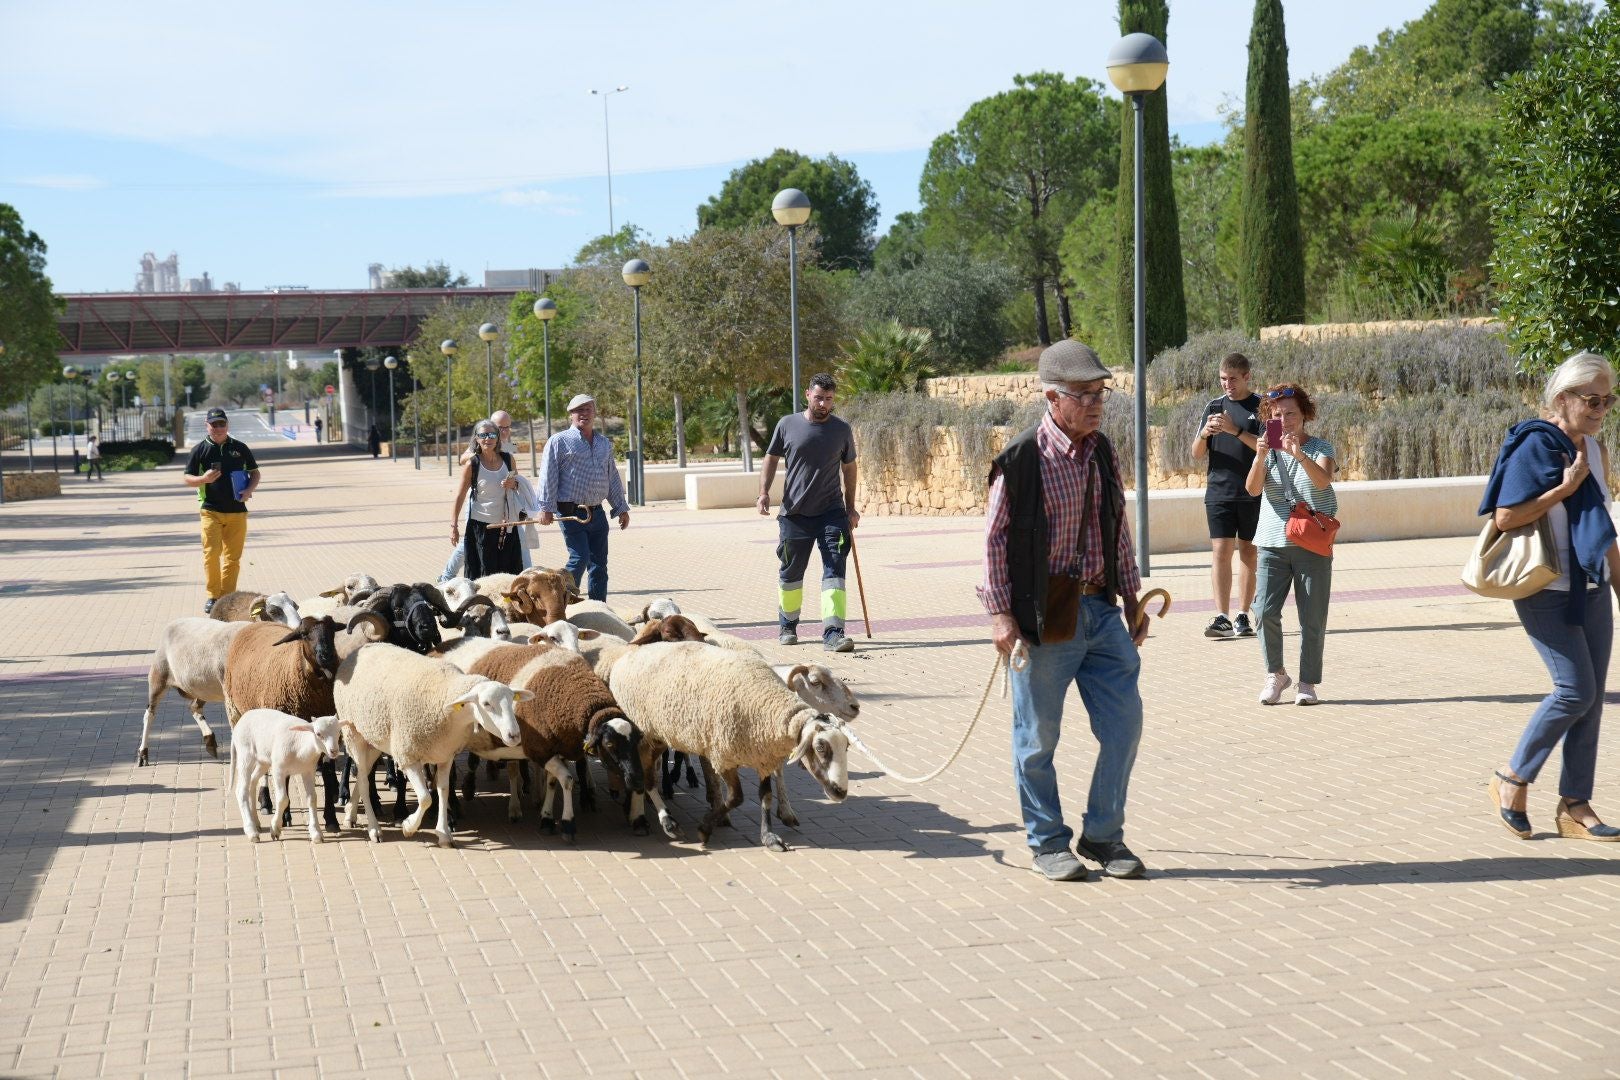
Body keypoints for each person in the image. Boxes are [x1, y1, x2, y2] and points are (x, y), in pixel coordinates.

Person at [979, 340, 1150, 883]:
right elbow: (994, 542)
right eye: (1084, 394)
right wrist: (1000, 615)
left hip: (1101, 611)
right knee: (1037, 741)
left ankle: (1102, 835)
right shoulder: (1020, 461)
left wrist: (1131, 597)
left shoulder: (1101, 451)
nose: (1096, 404)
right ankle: (1048, 843)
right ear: (1052, 398)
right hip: (1043, 620)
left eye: (1101, 393)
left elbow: (1116, 526)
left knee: (1124, 727)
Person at [1480, 350, 1620, 842]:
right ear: (1562, 398)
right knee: (1574, 691)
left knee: (1592, 701)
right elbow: (1505, 517)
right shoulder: (1536, 444)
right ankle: (1511, 778)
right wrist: (1563, 488)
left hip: (1592, 588)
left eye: (1608, 400)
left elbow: (1604, 529)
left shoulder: (1597, 451)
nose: (1601, 409)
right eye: (1592, 400)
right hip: (1544, 588)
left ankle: (1575, 806)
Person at [1245, 383, 1337, 706]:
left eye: (1290, 414)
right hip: (1272, 542)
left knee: (1312, 617)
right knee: (1263, 611)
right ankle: (1276, 674)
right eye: (1277, 415)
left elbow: (1323, 480)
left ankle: (1307, 683)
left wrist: (1299, 454)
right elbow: (1253, 490)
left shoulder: (1321, 447)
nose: (1284, 421)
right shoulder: (1267, 449)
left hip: (1312, 544)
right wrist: (1260, 457)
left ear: (1304, 414)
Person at [758, 373, 860, 653]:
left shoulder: (841, 429)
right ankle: (788, 626)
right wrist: (764, 492)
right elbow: (771, 457)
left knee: (835, 570)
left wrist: (850, 507)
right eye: (818, 398)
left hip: (832, 513)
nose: (823, 404)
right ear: (807, 395)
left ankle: (834, 633)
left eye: (828, 399)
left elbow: (849, 468)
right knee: (791, 572)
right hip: (794, 514)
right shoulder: (787, 424)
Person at [1191, 352, 1262, 639]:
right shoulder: (1213, 406)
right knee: (1221, 551)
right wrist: (1204, 434)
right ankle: (1222, 617)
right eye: (1223, 379)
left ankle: (1243, 615)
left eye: (1233, 379)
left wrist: (1235, 431)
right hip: (1218, 491)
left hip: (1253, 491)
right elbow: (1196, 454)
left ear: (1247, 376)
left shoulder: (1264, 406)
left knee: (1248, 551)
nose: (1227, 384)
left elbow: (1272, 447)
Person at [537, 394, 629, 601]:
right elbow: (548, 475)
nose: (584, 414)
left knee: (599, 565)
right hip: (571, 514)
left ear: (594, 413)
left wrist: (621, 508)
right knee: (579, 558)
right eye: (579, 410)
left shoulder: (603, 443)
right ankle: (562, 602)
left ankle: (598, 608)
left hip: (597, 513)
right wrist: (546, 508)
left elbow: (612, 476)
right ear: (571, 414)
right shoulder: (559, 441)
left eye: (588, 409)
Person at [183, 407, 260, 614]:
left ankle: (227, 597)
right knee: (211, 554)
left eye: (221, 424)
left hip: (237, 510)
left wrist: (249, 490)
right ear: (206, 426)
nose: (218, 428)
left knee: (232, 558)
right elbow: (187, 478)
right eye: (213, 424)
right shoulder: (200, 450)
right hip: (211, 510)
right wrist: (203, 479)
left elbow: (255, 473)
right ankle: (213, 596)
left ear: (227, 425)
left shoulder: (240, 448)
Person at [450, 419, 524, 579]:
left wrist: (513, 483)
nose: (487, 438)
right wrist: (454, 526)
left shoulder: (508, 458)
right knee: (485, 573)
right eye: (483, 435)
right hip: (482, 526)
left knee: (510, 572)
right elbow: (460, 495)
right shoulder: (472, 464)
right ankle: (448, 576)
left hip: (507, 526)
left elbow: (518, 483)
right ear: (476, 438)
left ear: (497, 437)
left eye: (491, 435)